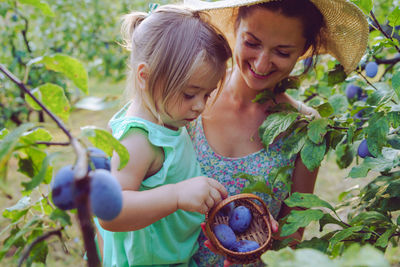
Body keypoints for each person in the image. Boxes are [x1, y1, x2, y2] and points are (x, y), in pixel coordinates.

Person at [183, 0, 369, 266]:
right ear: (236, 27)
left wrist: (269, 244)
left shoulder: (304, 127)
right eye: (252, 43)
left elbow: (294, 228)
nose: (261, 63)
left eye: (282, 52)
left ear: (303, 50)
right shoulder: (190, 96)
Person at [94, 5, 233, 267]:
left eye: (207, 94)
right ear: (145, 76)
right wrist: (177, 195)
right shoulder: (139, 141)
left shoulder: (165, 116)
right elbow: (110, 213)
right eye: (190, 94)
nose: (200, 106)